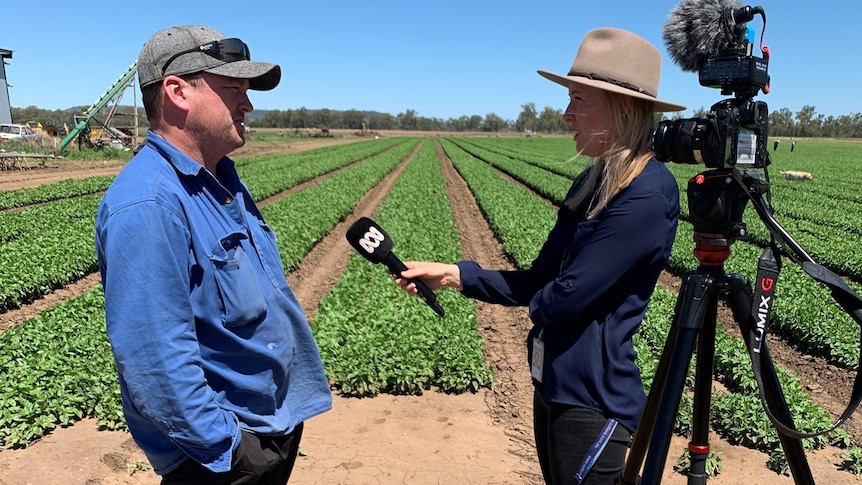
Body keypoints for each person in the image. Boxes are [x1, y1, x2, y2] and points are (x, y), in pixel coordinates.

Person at [393, 28, 684, 484]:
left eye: (577, 101)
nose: (566, 115)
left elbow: (561, 298)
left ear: (622, 108)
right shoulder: (592, 182)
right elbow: (542, 279)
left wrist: (541, 304)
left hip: (593, 402)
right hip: (551, 385)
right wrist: (453, 275)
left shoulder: (648, 193)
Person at [95, 25, 332, 484]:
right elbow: (154, 360)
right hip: (223, 457)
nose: (248, 104)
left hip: (268, 426)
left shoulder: (221, 180)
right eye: (233, 89)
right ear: (178, 92)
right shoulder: (149, 203)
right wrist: (229, 449)